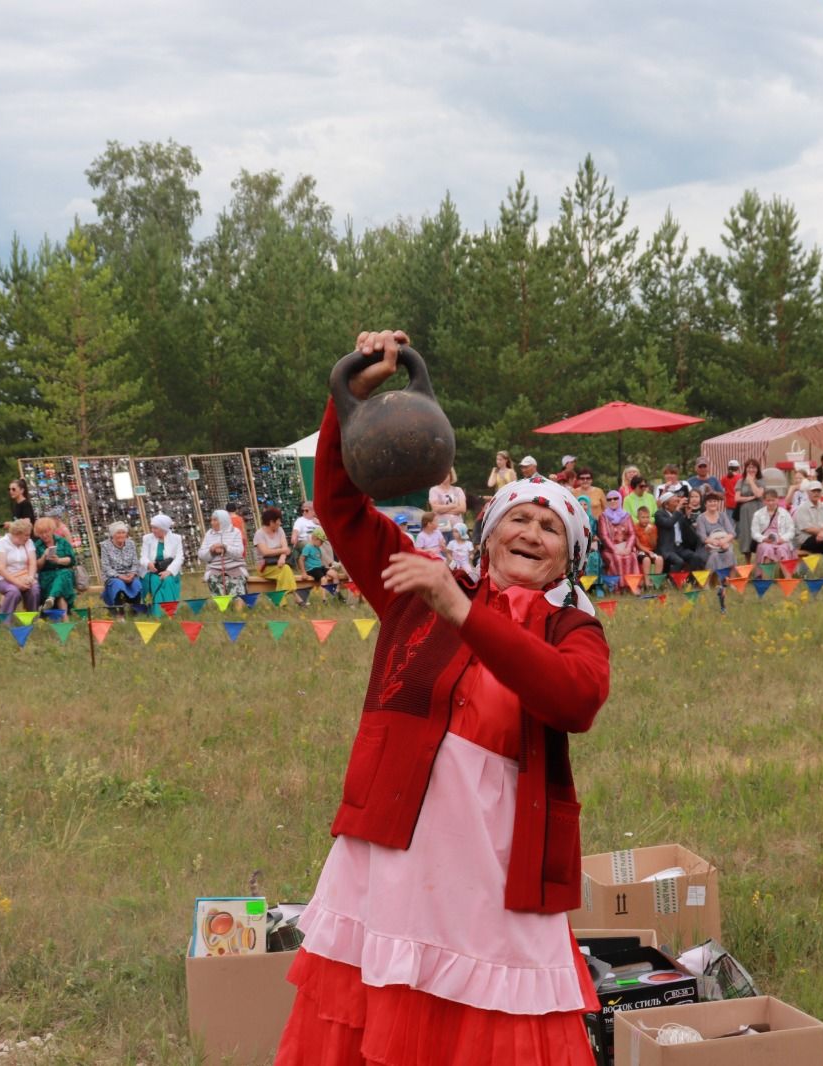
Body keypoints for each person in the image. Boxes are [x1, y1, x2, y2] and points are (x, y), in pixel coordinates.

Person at [276, 329, 609, 1066]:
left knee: (494, 1026)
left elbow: (575, 701)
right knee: (379, 1013)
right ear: (487, 535)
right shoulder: (424, 587)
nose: (531, 531)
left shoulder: (573, 630)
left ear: (570, 556)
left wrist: (464, 613)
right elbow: (339, 507)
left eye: (551, 526)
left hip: (497, 869)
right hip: (395, 855)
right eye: (518, 517)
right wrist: (351, 400)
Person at [0, 518, 41, 614]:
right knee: (13, 592)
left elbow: (32, 563)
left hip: (24, 576)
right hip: (3, 578)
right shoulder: (2, 543)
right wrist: (17, 583)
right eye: (26, 535)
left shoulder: (29, 542)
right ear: (17, 534)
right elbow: (0, 568)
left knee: (34, 589)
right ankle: (5, 620)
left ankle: (31, 617)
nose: (28, 537)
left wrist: (30, 577)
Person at [655, 487, 706, 574]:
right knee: (679, 562)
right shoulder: (659, 514)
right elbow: (669, 524)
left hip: (679, 547)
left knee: (695, 557)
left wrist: (687, 516)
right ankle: (671, 582)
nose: (678, 504)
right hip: (667, 548)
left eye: (678, 501)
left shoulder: (678, 513)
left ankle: (689, 580)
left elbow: (687, 530)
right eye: (675, 502)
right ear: (666, 505)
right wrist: (678, 511)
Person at [33, 516, 78, 615]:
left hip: (63, 573)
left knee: (64, 573)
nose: (44, 535)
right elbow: (37, 567)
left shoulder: (62, 541)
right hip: (47, 576)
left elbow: (71, 560)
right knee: (61, 589)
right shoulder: (37, 545)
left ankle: (51, 598)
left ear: (52, 530)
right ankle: (64, 617)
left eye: (46, 532)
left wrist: (58, 560)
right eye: (41, 533)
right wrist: (44, 556)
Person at [198, 510, 248, 598]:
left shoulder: (235, 532)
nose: (212, 523)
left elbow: (239, 552)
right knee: (213, 581)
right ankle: (223, 609)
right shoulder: (209, 533)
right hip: (215, 569)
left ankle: (239, 610)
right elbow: (201, 554)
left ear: (223, 520)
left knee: (237, 591)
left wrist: (225, 548)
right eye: (211, 520)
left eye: (215, 520)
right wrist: (211, 550)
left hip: (235, 568)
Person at [140, 513, 185, 606]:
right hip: (151, 571)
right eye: (152, 527)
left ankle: (169, 610)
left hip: (169, 570)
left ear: (164, 528)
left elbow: (179, 558)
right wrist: (148, 564)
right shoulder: (147, 538)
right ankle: (156, 612)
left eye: (155, 528)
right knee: (154, 580)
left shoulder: (176, 538)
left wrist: (169, 571)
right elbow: (143, 557)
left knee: (168, 580)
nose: (153, 530)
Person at [100, 522, 144, 613]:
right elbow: (105, 566)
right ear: (113, 534)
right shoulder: (105, 545)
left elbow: (135, 562)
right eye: (118, 533)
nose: (121, 535)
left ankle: (135, 610)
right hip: (113, 575)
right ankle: (119, 612)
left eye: (123, 532)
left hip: (129, 574)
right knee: (118, 584)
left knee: (136, 584)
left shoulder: (131, 543)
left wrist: (132, 574)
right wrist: (119, 576)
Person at [597, 491, 641, 582]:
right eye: (609, 499)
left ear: (620, 500)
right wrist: (615, 550)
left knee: (631, 556)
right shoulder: (603, 516)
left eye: (615, 498)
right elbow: (604, 536)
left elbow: (632, 534)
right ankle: (618, 586)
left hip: (626, 547)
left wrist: (628, 548)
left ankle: (632, 585)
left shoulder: (627, 516)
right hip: (610, 549)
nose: (612, 501)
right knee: (617, 558)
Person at [750, 489, 798, 567]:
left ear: (777, 500)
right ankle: (767, 577)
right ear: (764, 501)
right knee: (767, 550)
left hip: (781, 540)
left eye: (773, 500)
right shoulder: (758, 514)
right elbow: (754, 533)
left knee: (782, 549)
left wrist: (783, 539)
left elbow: (791, 530)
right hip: (765, 541)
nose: (771, 503)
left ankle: (787, 578)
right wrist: (764, 539)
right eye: (768, 500)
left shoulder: (784, 513)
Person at [253, 508, 297, 593]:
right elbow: (265, 552)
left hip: (279, 563)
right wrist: (283, 551)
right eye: (279, 520)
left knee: (285, 570)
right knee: (285, 570)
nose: (280, 523)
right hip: (264, 566)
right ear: (271, 522)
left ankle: (282, 600)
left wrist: (283, 558)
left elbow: (285, 547)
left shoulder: (280, 530)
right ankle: (293, 595)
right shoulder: (259, 534)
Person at [694, 491, 736, 575]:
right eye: (710, 501)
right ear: (705, 504)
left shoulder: (722, 515)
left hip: (724, 544)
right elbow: (703, 537)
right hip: (707, 546)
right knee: (715, 555)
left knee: (729, 553)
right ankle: (708, 580)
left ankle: (730, 580)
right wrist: (714, 542)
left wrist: (723, 541)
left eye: (715, 501)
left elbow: (731, 533)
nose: (713, 503)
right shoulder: (701, 518)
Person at [792, 480, 823, 563]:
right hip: (805, 541)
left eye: (818, 491)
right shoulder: (802, 508)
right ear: (808, 493)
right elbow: (807, 528)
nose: (816, 493)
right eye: (813, 491)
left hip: (821, 538)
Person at [735, 459, 766, 556]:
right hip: (745, 512)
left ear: (757, 469)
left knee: (760, 532)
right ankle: (747, 563)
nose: (751, 469)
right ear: (745, 468)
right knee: (746, 534)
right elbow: (737, 498)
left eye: (754, 467)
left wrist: (752, 482)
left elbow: (759, 494)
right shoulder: (741, 481)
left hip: (758, 509)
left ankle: (760, 559)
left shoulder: (761, 481)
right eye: (749, 467)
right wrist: (751, 497)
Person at [428, 471, 467, 540]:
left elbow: (463, 509)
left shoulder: (458, 490)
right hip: (441, 527)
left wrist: (442, 510)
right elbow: (435, 509)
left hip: (457, 528)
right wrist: (453, 506)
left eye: (446, 475)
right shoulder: (433, 490)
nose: (443, 477)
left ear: (451, 476)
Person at [633, 507, 662, 574]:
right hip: (640, 551)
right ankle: (647, 582)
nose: (646, 520)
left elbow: (654, 545)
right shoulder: (635, 527)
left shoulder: (653, 527)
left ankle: (656, 582)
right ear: (638, 517)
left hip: (651, 550)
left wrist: (650, 534)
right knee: (646, 560)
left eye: (647, 517)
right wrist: (648, 552)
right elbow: (638, 545)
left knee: (659, 559)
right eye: (643, 517)